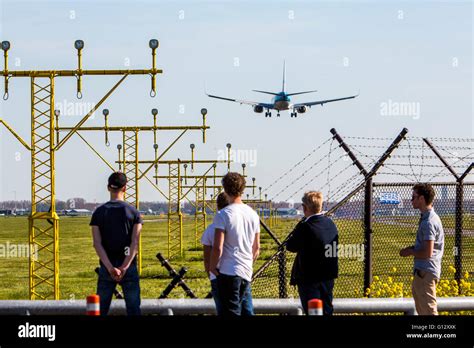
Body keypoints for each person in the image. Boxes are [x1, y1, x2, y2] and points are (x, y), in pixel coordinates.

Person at [90, 172, 143, 315]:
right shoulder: (134, 213)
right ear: (125, 188)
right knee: (134, 310)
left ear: (108, 188)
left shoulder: (98, 213)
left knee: (99, 311)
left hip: (106, 269)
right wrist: (124, 267)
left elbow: (97, 243)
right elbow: (135, 243)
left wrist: (110, 267)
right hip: (129, 268)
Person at [209, 172, 260, 316]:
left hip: (228, 272)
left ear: (225, 189)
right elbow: (256, 248)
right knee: (246, 311)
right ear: (243, 189)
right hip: (246, 271)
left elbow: (218, 247)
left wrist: (212, 266)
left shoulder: (223, 215)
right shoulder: (253, 214)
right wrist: (248, 262)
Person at [201, 192, 255, 315]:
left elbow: (208, 255)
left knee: (225, 311)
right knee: (247, 309)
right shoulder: (245, 220)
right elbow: (255, 248)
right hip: (243, 272)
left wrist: (211, 270)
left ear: (218, 206)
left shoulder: (212, 229)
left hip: (220, 275)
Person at [286, 191, 338, 315]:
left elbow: (291, 246)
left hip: (309, 278)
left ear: (305, 208)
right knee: (326, 310)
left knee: (313, 311)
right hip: (328, 276)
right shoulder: (330, 224)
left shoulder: (306, 226)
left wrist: (300, 225)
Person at [400, 183, 444, 315]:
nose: (411, 200)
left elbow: (427, 252)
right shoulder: (429, 219)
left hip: (425, 273)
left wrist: (410, 252)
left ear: (422, 199)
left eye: (414, 197)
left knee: (429, 312)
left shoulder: (428, 222)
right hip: (424, 272)